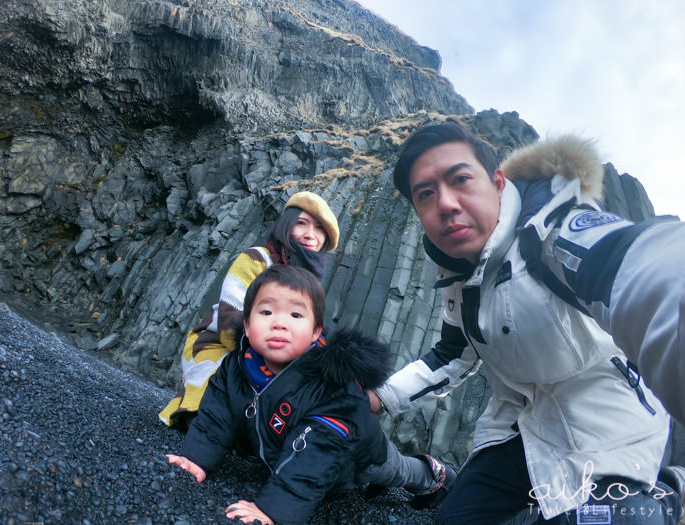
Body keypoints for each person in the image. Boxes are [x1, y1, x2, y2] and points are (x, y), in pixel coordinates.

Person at [368, 121, 684, 524]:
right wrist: (379, 397)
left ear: (498, 182)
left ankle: (667, 490)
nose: (445, 203)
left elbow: (641, 269)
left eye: (460, 179)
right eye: (426, 195)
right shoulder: (455, 274)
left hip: (606, 426)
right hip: (515, 429)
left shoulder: (552, 232)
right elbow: (452, 354)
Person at [167, 265, 454, 525]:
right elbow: (217, 416)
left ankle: (436, 476)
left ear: (317, 331)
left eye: (295, 314)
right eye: (266, 312)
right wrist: (196, 458)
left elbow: (314, 456)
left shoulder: (330, 385)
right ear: (246, 323)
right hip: (286, 449)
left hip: (357, 452)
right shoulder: (236, 366)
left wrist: (272, 509)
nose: (279, 323)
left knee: (397, 471)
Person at [159, 190, 340, 432]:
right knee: (209, 407)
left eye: (320, 229)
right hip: (219, 343)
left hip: (273, 353)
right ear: (286, 226)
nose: (310, 235)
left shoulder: (311, 287)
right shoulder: (257, 258)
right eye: (301, 224)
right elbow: (229, 318)